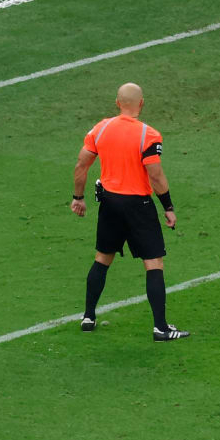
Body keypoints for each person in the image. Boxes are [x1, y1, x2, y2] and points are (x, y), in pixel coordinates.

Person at [70, 82, 189, 340]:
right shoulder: (148, 134)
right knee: (153, 263)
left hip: (109, 203)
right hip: (138, 207)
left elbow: (81, 165)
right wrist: (168, 206)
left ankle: (88, 316)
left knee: (102, 259)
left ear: (117, 103)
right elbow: (155, 175)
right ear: (142, 103)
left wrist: (78, 197)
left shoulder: (100, 129)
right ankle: (161, 327)